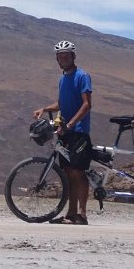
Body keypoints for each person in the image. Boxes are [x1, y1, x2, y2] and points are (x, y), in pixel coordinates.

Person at [32, 40, 92, 225]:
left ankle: (82, 214)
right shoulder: (62, 79)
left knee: (78, 172)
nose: (63, 58)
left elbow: (86, 104)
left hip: (78, 132)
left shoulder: (82, 76)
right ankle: (70, 214)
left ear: (73, 56)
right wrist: (44, 108)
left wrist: (71, 124)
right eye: (60, 56)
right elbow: (62, 104)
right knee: (68, 173)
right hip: (64, 132)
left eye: (66, 55)